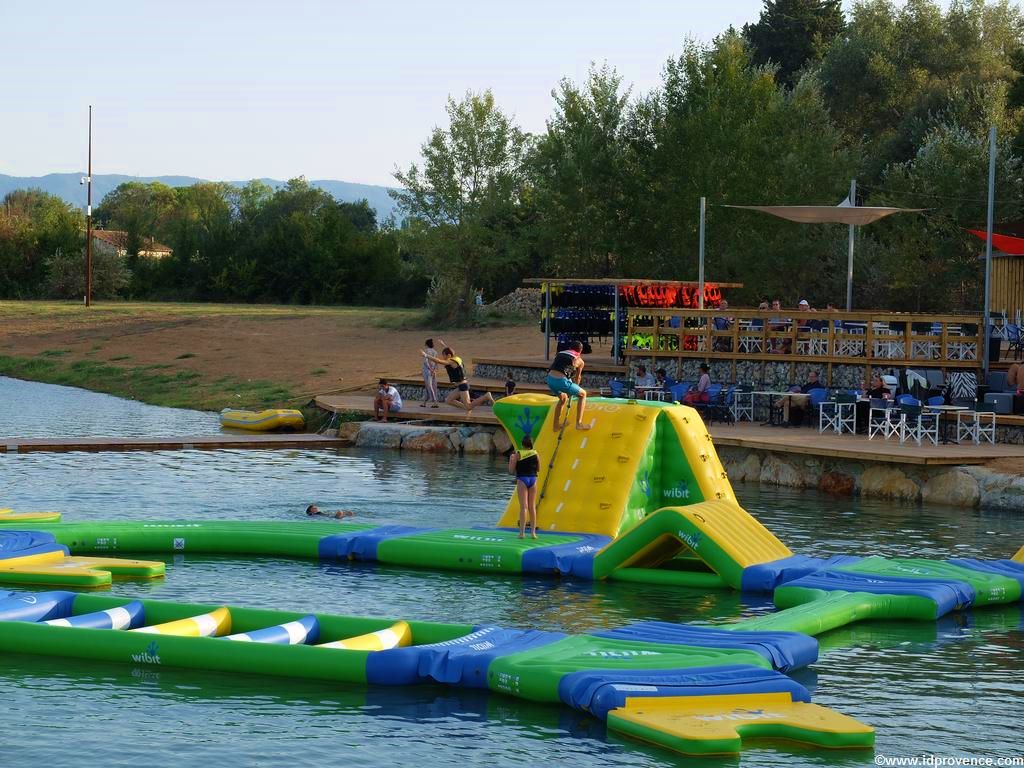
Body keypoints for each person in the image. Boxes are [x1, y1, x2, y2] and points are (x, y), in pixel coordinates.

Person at [428, 346, 494, 413]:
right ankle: (466, 408)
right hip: (460, 386)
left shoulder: (451, 361)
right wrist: (443, 345)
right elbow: (450, 352)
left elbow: (439, 361)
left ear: (449, 355)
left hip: (463, 386)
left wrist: (426, 355)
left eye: (444, 356)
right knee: (448, 400)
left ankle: (486, 396)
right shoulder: (456, 358)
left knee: (468, 406)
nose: (443, 358)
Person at [546, 340, 592, 431]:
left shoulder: (560, 353)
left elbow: (560, 367)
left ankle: (556, 426)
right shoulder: (580, 361)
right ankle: (579, 424)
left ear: (570, 348)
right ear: (581, 350)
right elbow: (577, 378)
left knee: (563, 398)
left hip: (550, 379)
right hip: (561, 381)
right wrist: (575, 389)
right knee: (583, 394)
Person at [508, 435, 540, 539]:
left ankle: (522, 533)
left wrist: (511, 460)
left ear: (522, 444)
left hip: (522, 480)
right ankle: (533, 533)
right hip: (533, 479)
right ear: (531, 444)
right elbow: (538, 468)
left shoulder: (518, 454)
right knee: (532, 507)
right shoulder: (536, 453)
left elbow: (511, 470)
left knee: (524, 507)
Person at [421, 338, 441, 408]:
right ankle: (424, 402)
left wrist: (431, 369)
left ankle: (435, 402)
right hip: (433, 370)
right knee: (431, 386)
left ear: (426, 344)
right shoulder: (435, 352)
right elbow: (437, 362)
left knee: (429, 386)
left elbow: (426, 361)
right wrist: (434, 370)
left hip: (427, 370)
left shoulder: (426, 351)